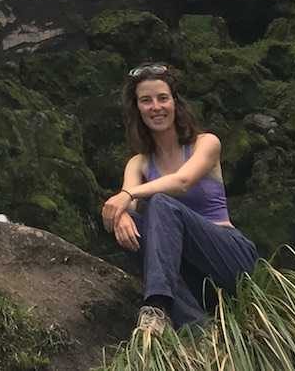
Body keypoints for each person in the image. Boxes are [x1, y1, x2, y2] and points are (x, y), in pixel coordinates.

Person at [101, 62, 259, 339]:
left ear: (175, 102)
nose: (156, 107)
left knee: (161, 204)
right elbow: (124, 208)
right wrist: (122, 215)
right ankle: (199, 329)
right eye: (146, 100)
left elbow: (182, 181)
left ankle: (157, 307)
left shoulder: (206, 143)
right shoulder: (137, 163)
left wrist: (127, 196)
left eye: (163, 98)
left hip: (232, 261)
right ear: (137, 108)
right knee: (132, 224)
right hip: (192, 276)